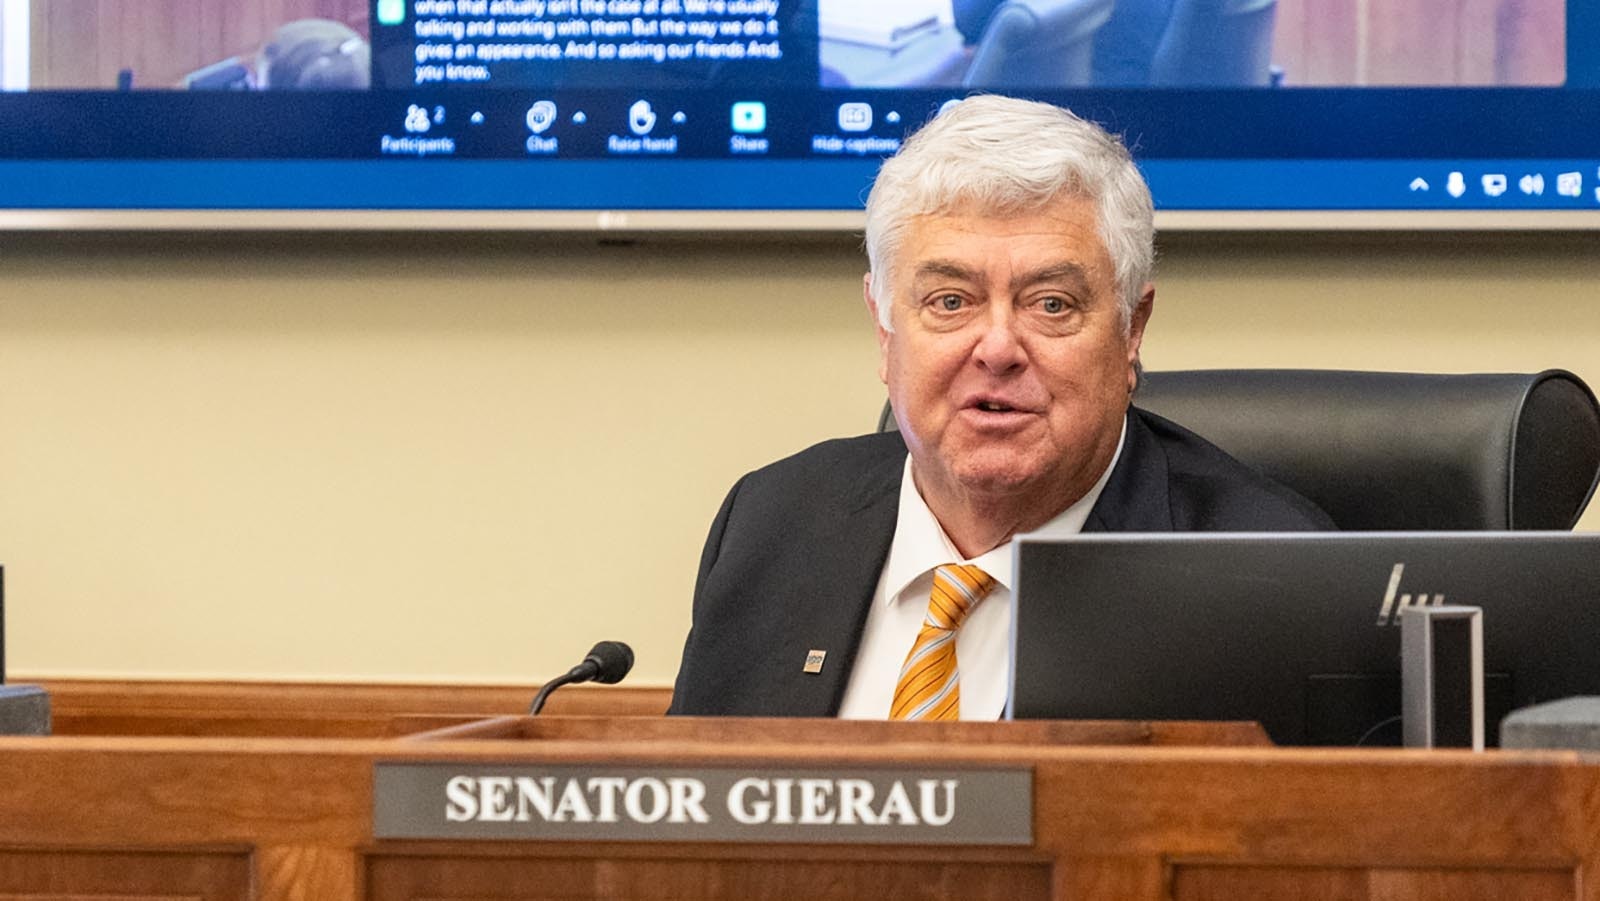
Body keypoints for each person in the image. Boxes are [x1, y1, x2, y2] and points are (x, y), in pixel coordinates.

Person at [668, 95, 1332, 719]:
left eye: (1052, 304)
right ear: (883, 328)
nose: (997, 348)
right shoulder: (771, 523)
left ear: (1132, 329)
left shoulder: (1268, 582)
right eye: (950, 301)